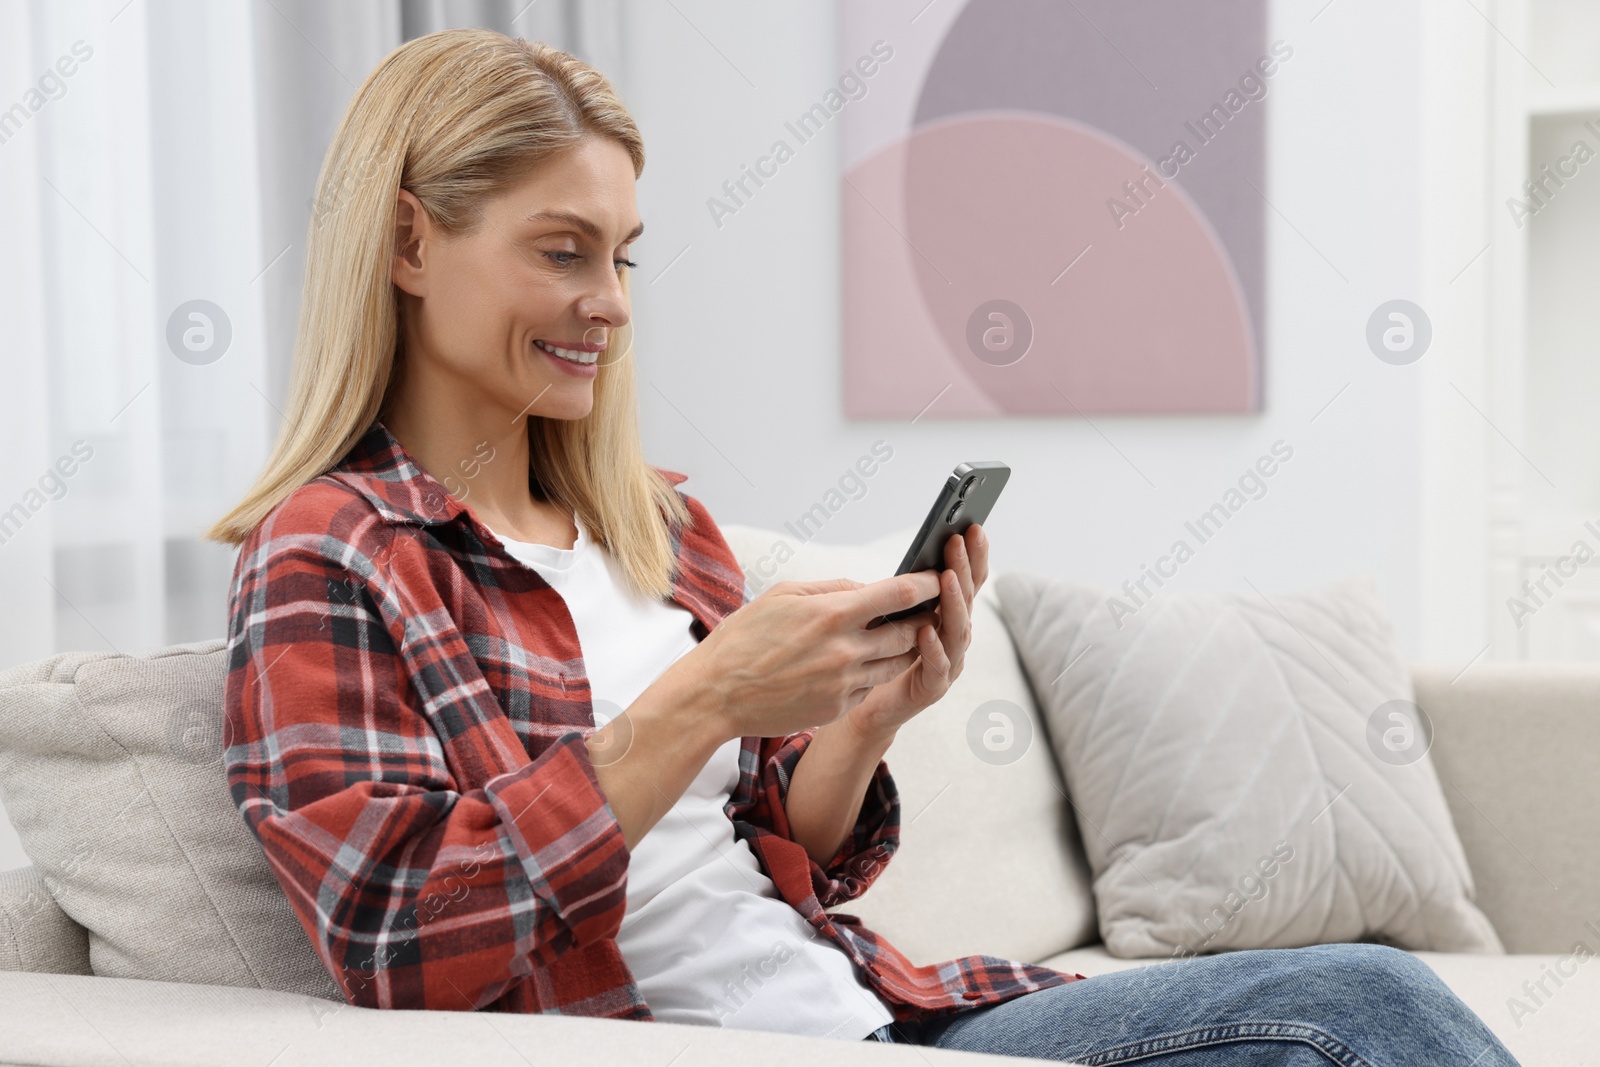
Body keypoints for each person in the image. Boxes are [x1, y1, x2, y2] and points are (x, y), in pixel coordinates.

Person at [204, 28, 1519, 1064]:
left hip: (872, 1016)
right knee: (1355, 1012)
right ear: (407, 241)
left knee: (1361, 1006)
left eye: (625, 259)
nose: (608, 304)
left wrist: (865, 724)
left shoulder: (658, 530)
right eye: (563, 252)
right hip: (682, 1044)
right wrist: (705, 696)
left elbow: (778, 862)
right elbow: (398, 939)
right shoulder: (333, 555)